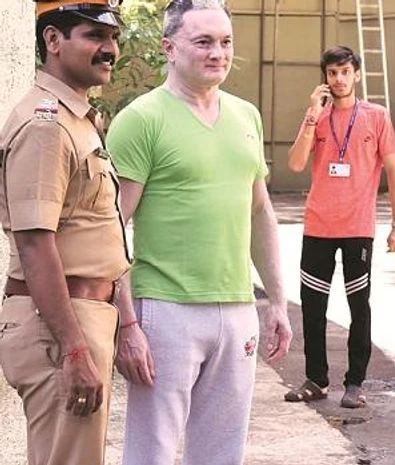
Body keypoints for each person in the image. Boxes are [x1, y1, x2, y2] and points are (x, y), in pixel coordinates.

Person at [104, 1, 292, 464]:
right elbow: (110, 228)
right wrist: (127, 324)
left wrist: (278, 302)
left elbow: (260, 212)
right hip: (164, 311)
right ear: (169, 48)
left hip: (236, 307)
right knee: (154, 452)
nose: (218, 53)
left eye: (225, 42)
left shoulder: (246, 116)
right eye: (203, 42)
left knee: (222, 453)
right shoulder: (141, 119)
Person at [0, 1, 129, 464]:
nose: (109, 49)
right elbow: (35, 245)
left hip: (79, 317)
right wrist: (74, 349)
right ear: (53, 41)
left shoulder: (76, 119)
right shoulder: (46, 126)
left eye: (112, 38)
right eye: (94, 36)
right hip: (59, 326)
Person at [284, 45, 395, 408]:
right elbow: (294, 164)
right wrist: (310, 116)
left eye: (345, 72)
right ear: (325, 77)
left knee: (359, 306)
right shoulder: (316, 117)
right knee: (312, 306)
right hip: (317, 225)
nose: (338, 79)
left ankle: (355, 383)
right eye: (332, 73)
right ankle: (316, 379)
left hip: (358, 228)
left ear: (356, 74)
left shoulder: (376, 115)